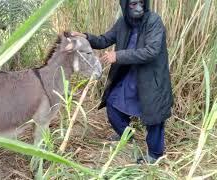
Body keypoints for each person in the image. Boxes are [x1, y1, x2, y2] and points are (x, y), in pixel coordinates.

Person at [71, 0, 173, 163]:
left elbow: (151, 51)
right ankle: (126, 134)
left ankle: (155, 154)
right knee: (112, 103)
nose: (138, 8)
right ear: (125, 6)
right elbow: (104, 40)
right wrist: (85, 36)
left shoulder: (154, 21)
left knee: (154, 116)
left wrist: (118, 56)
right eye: (133, 4)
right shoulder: (123, 22)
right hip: (129, 74)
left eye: (141, 3)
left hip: (150, 77)